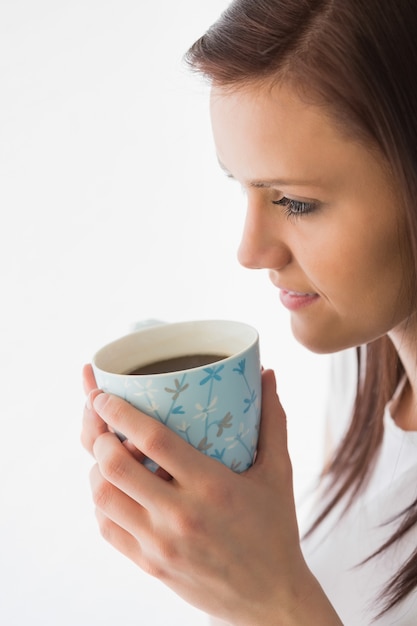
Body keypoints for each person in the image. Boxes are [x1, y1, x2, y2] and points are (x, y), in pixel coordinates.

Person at [81, 0, 417, 623]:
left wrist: (272, 601)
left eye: (295, 201)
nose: (249, 252)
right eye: (242, 186)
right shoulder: (372, 395)